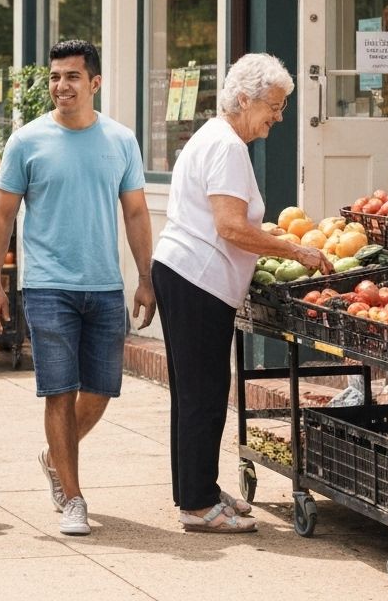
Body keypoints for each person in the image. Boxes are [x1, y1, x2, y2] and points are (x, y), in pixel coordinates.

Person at [151, 53, 332, 534]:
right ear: (245, 99)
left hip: (185, 274)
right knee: (204, 393)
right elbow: (230, 226)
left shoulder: (215, 137)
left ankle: (199, 489)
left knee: (195, 391)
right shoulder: (228, 147)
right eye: (274, 105)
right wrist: (293, 249)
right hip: (197, 279)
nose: (279, 116)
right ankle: (197, 505)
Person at [0, 39, 155, 537]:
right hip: (47, 285)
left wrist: (146, 278)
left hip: (104, 284)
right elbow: (3, 215)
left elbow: (136, 212)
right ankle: (73, 496)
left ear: (94, 82)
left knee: (100, 390)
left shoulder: (120, 140)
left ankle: (55, 457)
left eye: (72, 76)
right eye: (56, 77)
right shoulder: (26, 141)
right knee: (59, 391)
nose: (62, 86)